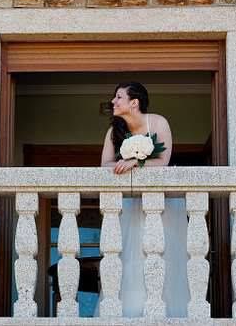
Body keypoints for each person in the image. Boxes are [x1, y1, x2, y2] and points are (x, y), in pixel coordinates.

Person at [99, 82, 189, 317]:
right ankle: (131, 311)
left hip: (162, 205)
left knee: (164, 255)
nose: (113, 102)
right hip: (131, 202)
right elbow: (105, 165)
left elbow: (162, 162)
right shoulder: (114, 130)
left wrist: (135, 163)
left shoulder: (158, 123)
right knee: (131, 256)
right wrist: (124, 164)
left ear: (134, 102)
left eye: (118, 97)